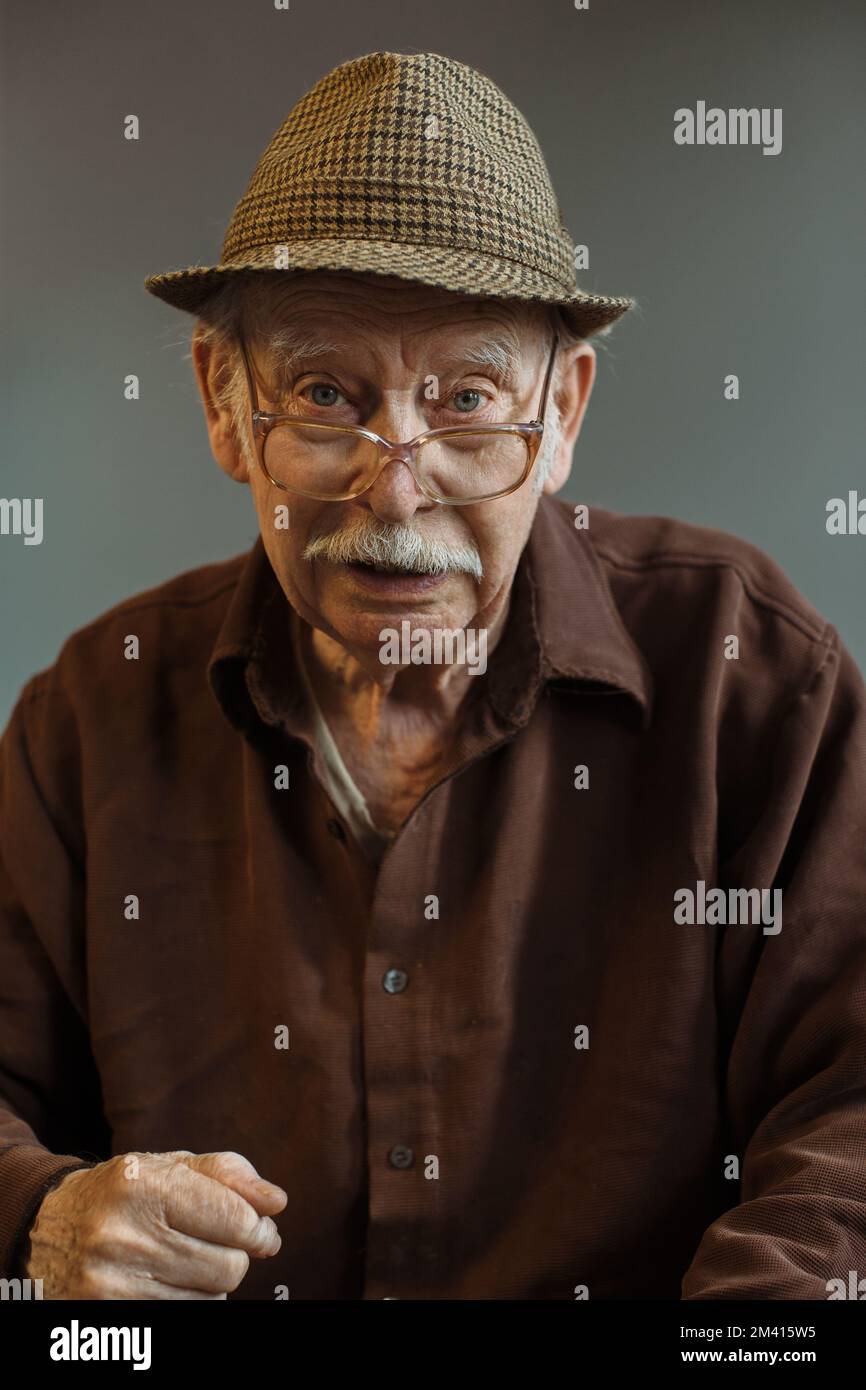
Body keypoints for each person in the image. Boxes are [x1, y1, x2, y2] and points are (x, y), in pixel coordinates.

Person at [1, 50, 865, 1301]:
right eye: (322, 394)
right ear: (223, 406)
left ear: (561, 412)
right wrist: (46, 1217)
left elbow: (847, 1118)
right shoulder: (90, 716)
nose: (395, 491)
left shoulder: (753, 682)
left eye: (467, 402)